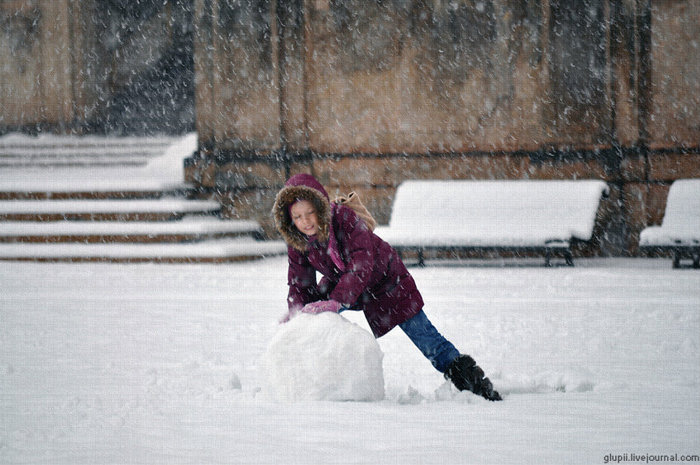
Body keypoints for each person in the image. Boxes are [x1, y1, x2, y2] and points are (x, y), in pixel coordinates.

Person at [272, 173, 502, 401]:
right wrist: (297, 311)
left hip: (389, 283)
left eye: (310, 212)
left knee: (426, 338)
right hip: (348, 284)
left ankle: (473, 382)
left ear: (320, 207)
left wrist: (337, 300)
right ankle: (317, 381)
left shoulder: (345, 220)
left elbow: (361, 262)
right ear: (290, 219)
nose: (306, 221)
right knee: (312, 314)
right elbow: (299, 280)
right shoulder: (298, 241)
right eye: (298, 216)